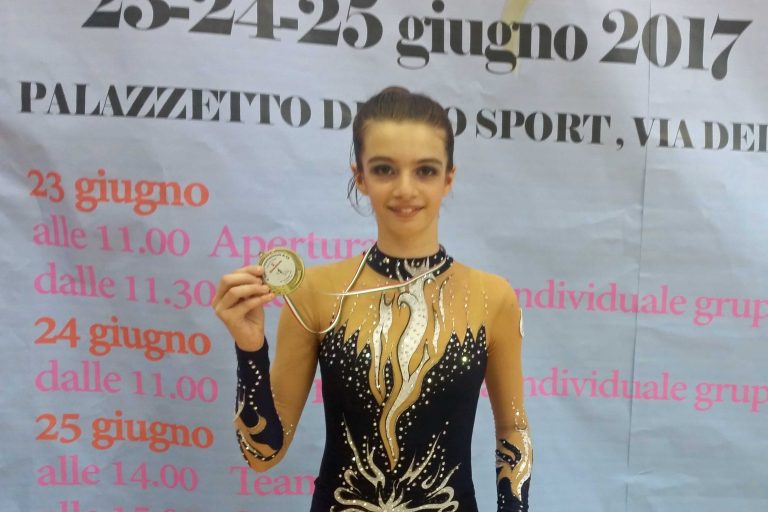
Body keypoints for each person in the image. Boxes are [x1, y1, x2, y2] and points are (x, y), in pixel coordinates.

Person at [212, 87, 532, 511]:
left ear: (448, 178)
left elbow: (512, 428)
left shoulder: (492, 298)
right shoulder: (316, 292)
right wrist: (250, 348)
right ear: (360, 176)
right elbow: (262, 454)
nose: (405, 189)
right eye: (384, 169)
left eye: (425, 170)